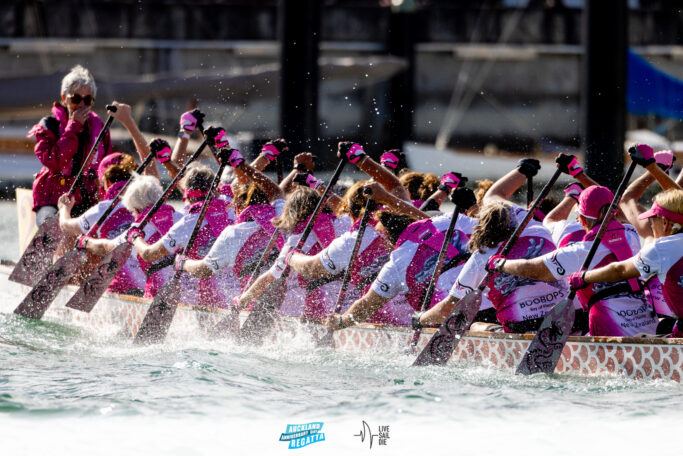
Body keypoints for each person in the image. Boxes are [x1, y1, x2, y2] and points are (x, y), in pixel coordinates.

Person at [489, 158, 659, 337]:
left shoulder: (581, 252)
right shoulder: (631, 233)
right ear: (613, 212)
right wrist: (580, 175)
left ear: (582, 220)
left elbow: (536, 270)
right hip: (648, 323)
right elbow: (620, 213)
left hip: (611, 334)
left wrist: (501, 264)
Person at [571, 147, 683, 336]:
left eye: (652, 219)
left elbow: (619, 270)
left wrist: (584, 277)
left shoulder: (658, 248)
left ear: (665, 223)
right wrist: (653, 168)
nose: (649, 222)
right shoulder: (657, 240)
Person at [415, 201, 567, 334]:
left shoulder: (482, 257)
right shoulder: (541, 232)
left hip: (522, 325)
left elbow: (449, 307)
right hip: (569, 316)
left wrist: (420, 319)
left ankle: (497, 331)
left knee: (474, 325)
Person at [174, 151, 287, 305]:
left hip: (251, 303)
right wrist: (240, 163)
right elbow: (276, 191)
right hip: (286, 300)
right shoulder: (281, 215)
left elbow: (204, 270)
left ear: (239, 204)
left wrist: (183, 263)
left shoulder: (232, 233)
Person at [29, 65, 113, 226]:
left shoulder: (100, 128)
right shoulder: (49, 125)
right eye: (76, 99)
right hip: (52, 198)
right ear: (64, 98)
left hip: (87, 197)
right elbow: (54, 161)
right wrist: (73, 127)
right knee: (50, 226)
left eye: (87, 100)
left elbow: (106, 167)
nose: (81, 104)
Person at [78, 173, 179, 298]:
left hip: (158, 299)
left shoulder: (137, 231)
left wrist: (86, 242)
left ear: (136, 209)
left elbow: (106, 247)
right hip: (194, 296)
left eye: (132, 212)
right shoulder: (182, 219)